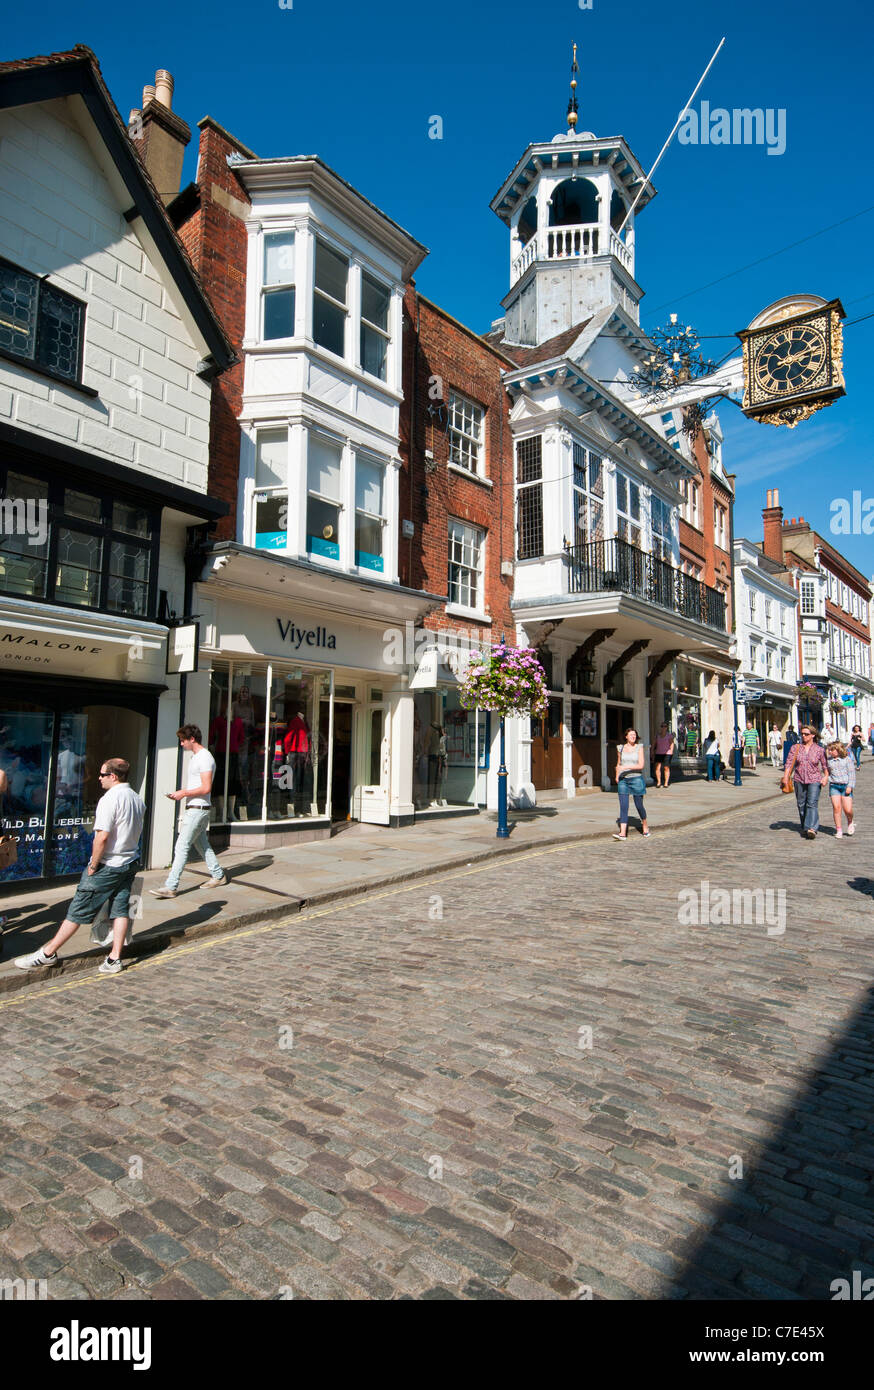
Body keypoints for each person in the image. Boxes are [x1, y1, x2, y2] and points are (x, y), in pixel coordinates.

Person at [14, 758, 144, 974]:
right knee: (121, 910)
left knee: (77, 910)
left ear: (113, 776)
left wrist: (93, 864)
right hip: (129, 862)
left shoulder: (110, 799)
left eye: (102, 774)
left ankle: (48, 953)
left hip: (108, 864)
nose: (99, 778)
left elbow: (102, 837)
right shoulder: (137, 798)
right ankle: (114, 958)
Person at [150, 725, 226, 898]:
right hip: (196, 808)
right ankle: (218, 875)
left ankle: (171, 887)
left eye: (183, 740)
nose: (181, 743)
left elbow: (206, 788)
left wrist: (183, 793)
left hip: (198, 809)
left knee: (181, 846)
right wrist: (181, 793)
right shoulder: (196, 757)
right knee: (202, 845)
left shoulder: (205, 758)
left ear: (192, 739)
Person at [782, 725, 829, 839]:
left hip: (814, 779)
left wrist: (826, 777)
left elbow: (825, 766)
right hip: (799, 779)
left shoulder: (819, 750)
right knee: (801, 804)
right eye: (802, 734)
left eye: (806, 734)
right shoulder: (795, 748)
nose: (803, 736)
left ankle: (812, 828)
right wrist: (785, 777)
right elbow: (789, 764)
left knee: (812, 803)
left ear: (813, 735)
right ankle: (805, 826)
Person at [613, 728, 650, 840]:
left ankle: (645, 824)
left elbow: (641, 765)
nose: (633, 736)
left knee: (639, 805)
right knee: (624, 806)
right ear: (626, 736)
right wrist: (617, 775)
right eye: (631, 735)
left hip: (636, 779)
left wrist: (626, 767)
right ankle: (622, 833)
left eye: (634, 735)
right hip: (623, 780)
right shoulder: (620, 748)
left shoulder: (639, 747)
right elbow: (619, 763)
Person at [826, 741, 856, 839]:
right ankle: (839, 830)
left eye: (832, 750)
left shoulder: (847, 759)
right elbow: (827, 772)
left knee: (848, 809)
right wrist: (827, 778)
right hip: (834, 786)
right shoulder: (829, 760)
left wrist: (850, 786)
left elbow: (852, 774)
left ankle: (850, 821)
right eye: (829, 750)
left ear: (838, 750)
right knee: (836, 808)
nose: (830, 752)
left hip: (845, 786)